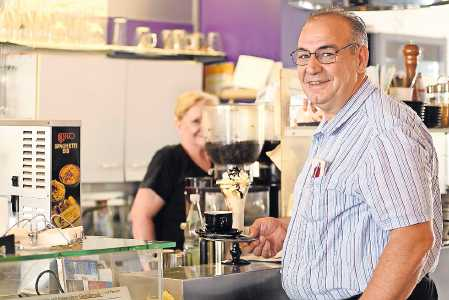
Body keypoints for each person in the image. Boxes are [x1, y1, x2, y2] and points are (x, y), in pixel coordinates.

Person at [245, 9, 442, 300]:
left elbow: (412, 239)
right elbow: (358, 213)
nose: (311, 67)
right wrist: (291, 227)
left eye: (326, 54)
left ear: (360, 58)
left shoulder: (382, 128)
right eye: (303, 55)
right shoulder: (337, 124)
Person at [129, 91, 218, 249]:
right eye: (196, 121)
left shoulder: (219, 161)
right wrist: (152, 265)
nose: (205, 127)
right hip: (175, 267)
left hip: (212, 264)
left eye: (209, 120)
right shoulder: (169, 158)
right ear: (178, 123)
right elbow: (140, 216)